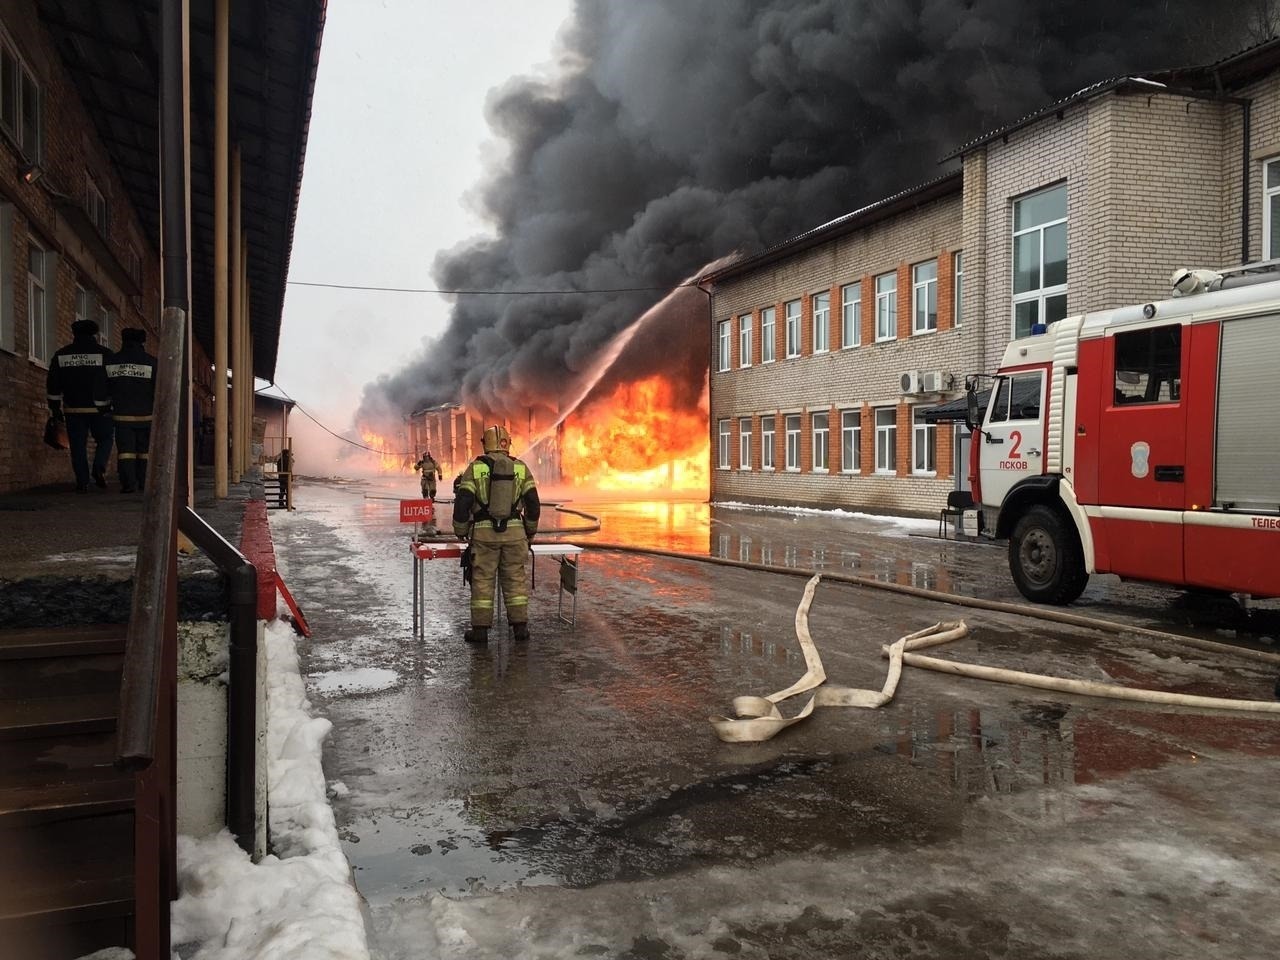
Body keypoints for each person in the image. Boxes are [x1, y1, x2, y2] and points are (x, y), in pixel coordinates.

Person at [452, 424, 541, 644]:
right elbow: (533, 503)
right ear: (507, 443)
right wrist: (529, 531)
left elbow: (463, 502)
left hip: (484, 537)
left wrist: (461, 531)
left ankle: (480, 632)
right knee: (515, 581)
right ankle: (520, 629)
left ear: (485, 443)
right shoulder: (520, 468)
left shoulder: (475, 468)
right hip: (515, 535)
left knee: (482, 581)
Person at [46, 318, 113, 492]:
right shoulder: (105, 354)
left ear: (74, 333)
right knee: (105, 439)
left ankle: (82, 481)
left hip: (73, 408)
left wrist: (54, 408)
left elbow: (53, 384)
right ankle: (99, 468)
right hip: (101, 408)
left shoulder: (62, 355)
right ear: (94, 334)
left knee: (77, 445)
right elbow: (112, 381)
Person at [106, 327, 157, 493]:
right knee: (145, 452)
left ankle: (128, 484)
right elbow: (159, 389)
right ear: (142, 342)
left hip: (122, 417)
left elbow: (101, 388)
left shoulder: (112, 361)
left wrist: (104, 409)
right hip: (146, 416)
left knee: (125, 452)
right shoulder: (151, 362)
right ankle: (144, 482)